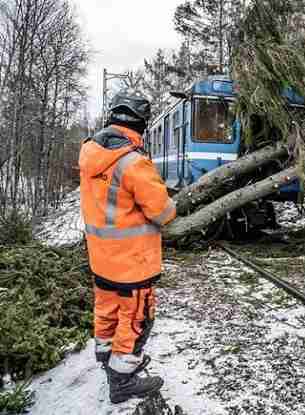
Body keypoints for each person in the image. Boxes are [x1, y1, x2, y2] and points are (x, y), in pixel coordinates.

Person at [79, 90, 176, 404]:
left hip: (101, 259)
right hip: (132, 262)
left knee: (106, 310)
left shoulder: (90, 154)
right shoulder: (134, 163)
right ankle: (122, 380)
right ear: (141, 124)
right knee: (136, 318)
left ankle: (107, 361)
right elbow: (162, 212)